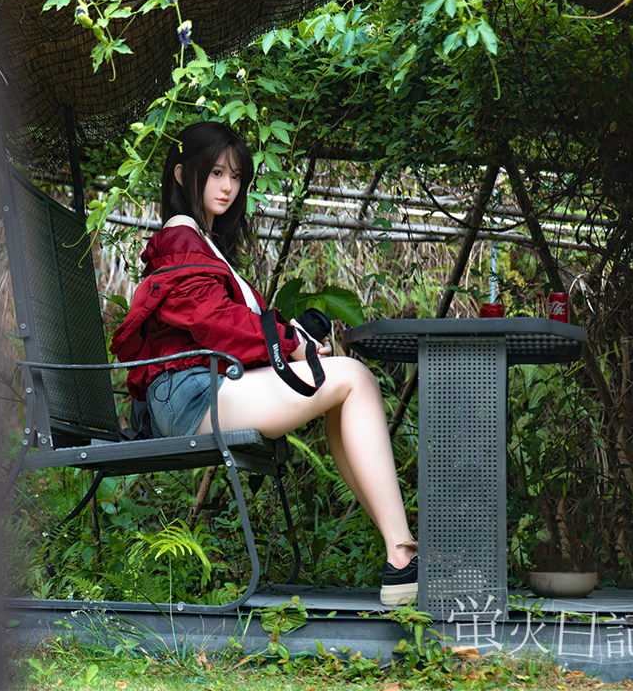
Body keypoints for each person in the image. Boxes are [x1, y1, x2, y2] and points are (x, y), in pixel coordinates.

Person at [110, 121, 418, 606]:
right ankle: (402, 555)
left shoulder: (201, 241)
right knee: (355, 379)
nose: (228, 187)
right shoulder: (180, 239)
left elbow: (223, 323)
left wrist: (291, 338)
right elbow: (214, 322)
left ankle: (400, 552)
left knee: (346, 389)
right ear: (182, 174)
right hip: (190, 393)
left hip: (200, 386)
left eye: (236, 176)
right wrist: (288, 341)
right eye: (215, 173)